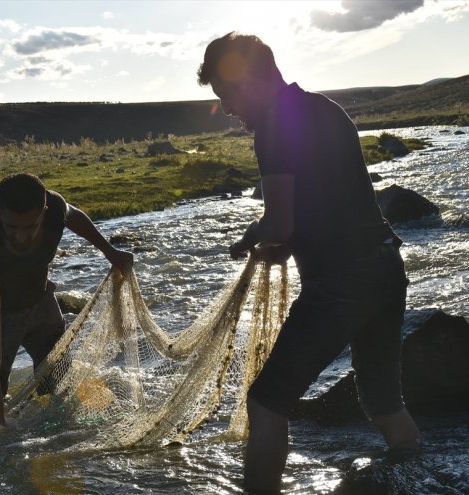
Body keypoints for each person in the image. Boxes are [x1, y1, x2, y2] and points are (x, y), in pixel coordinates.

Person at [197, 33, 422, 493]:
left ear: (250, 79)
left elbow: (279, 223)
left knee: (265, 401)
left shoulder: (275, 125)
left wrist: (252, 237)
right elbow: (326, 202)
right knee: (383, 404)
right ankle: (420, 480)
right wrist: (285, 240)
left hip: (342, 281)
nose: (229, 109)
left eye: (227, 94)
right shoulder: (325, 107)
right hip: (385, 267)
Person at [0, 172, 133, 430]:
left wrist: (109, 251)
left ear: (45, 211)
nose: (20, 236)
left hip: (38, 297)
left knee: (58, 379)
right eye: (11, 227)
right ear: (0, 214)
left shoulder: (55, 208)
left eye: (30, 227)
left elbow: (74, 216)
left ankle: (51, 433)